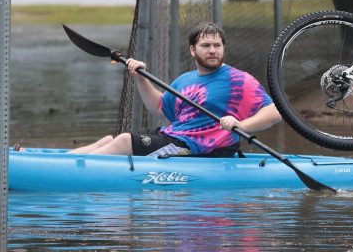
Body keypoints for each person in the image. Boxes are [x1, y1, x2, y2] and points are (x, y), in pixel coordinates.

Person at [70, 21, 281, 157]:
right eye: (205, 46)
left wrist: (241, 124)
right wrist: (141, 78)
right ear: (192, 50)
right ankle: (64, 161)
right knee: (112, 140)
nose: (212, 51)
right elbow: (159, 109)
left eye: (217, 46)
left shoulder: (238, 80)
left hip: (198, 148)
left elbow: (274, 112)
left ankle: (69, 172)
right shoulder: (184, 80)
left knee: (125, 141)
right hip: (175, 136)